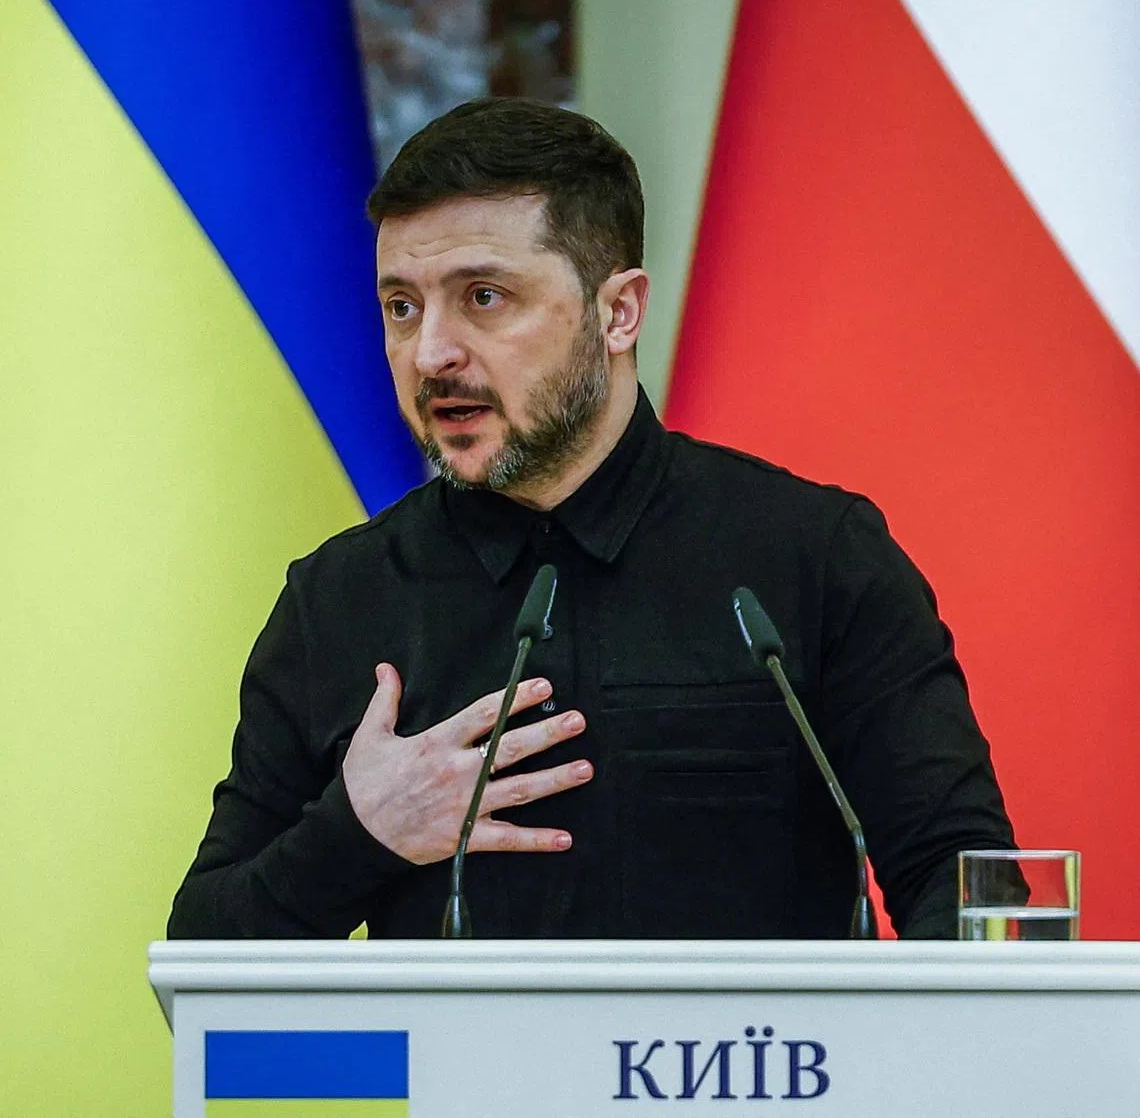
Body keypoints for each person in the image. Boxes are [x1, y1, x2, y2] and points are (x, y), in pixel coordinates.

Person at [167, 98, 1015, 941]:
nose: (431, 353)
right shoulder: (341, 598)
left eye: (485, 297)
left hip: (761, 1073)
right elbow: (201, 960)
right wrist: (360, 834)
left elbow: (969, 882)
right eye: (402, 306)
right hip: (463, 1082)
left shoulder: (813, 558)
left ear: (619, 312)